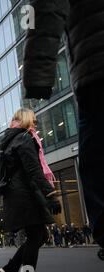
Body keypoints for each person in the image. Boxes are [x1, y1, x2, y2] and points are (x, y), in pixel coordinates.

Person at [22, 0, 104, 251]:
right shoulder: (24, 140)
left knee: (97, 162)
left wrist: (36, 76)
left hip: (96, 69)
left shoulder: (24, 140)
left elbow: (45, 8)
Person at [0, 108, 62, 272]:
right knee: (36, 235)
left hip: (18, 195)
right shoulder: (25, 138)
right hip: (25, 195)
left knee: (39, 235)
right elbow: (34, 170)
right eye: (33, 120)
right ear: (25, 120)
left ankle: (12, 269)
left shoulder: (11, 140)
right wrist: (50, 194)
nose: (35, 124)